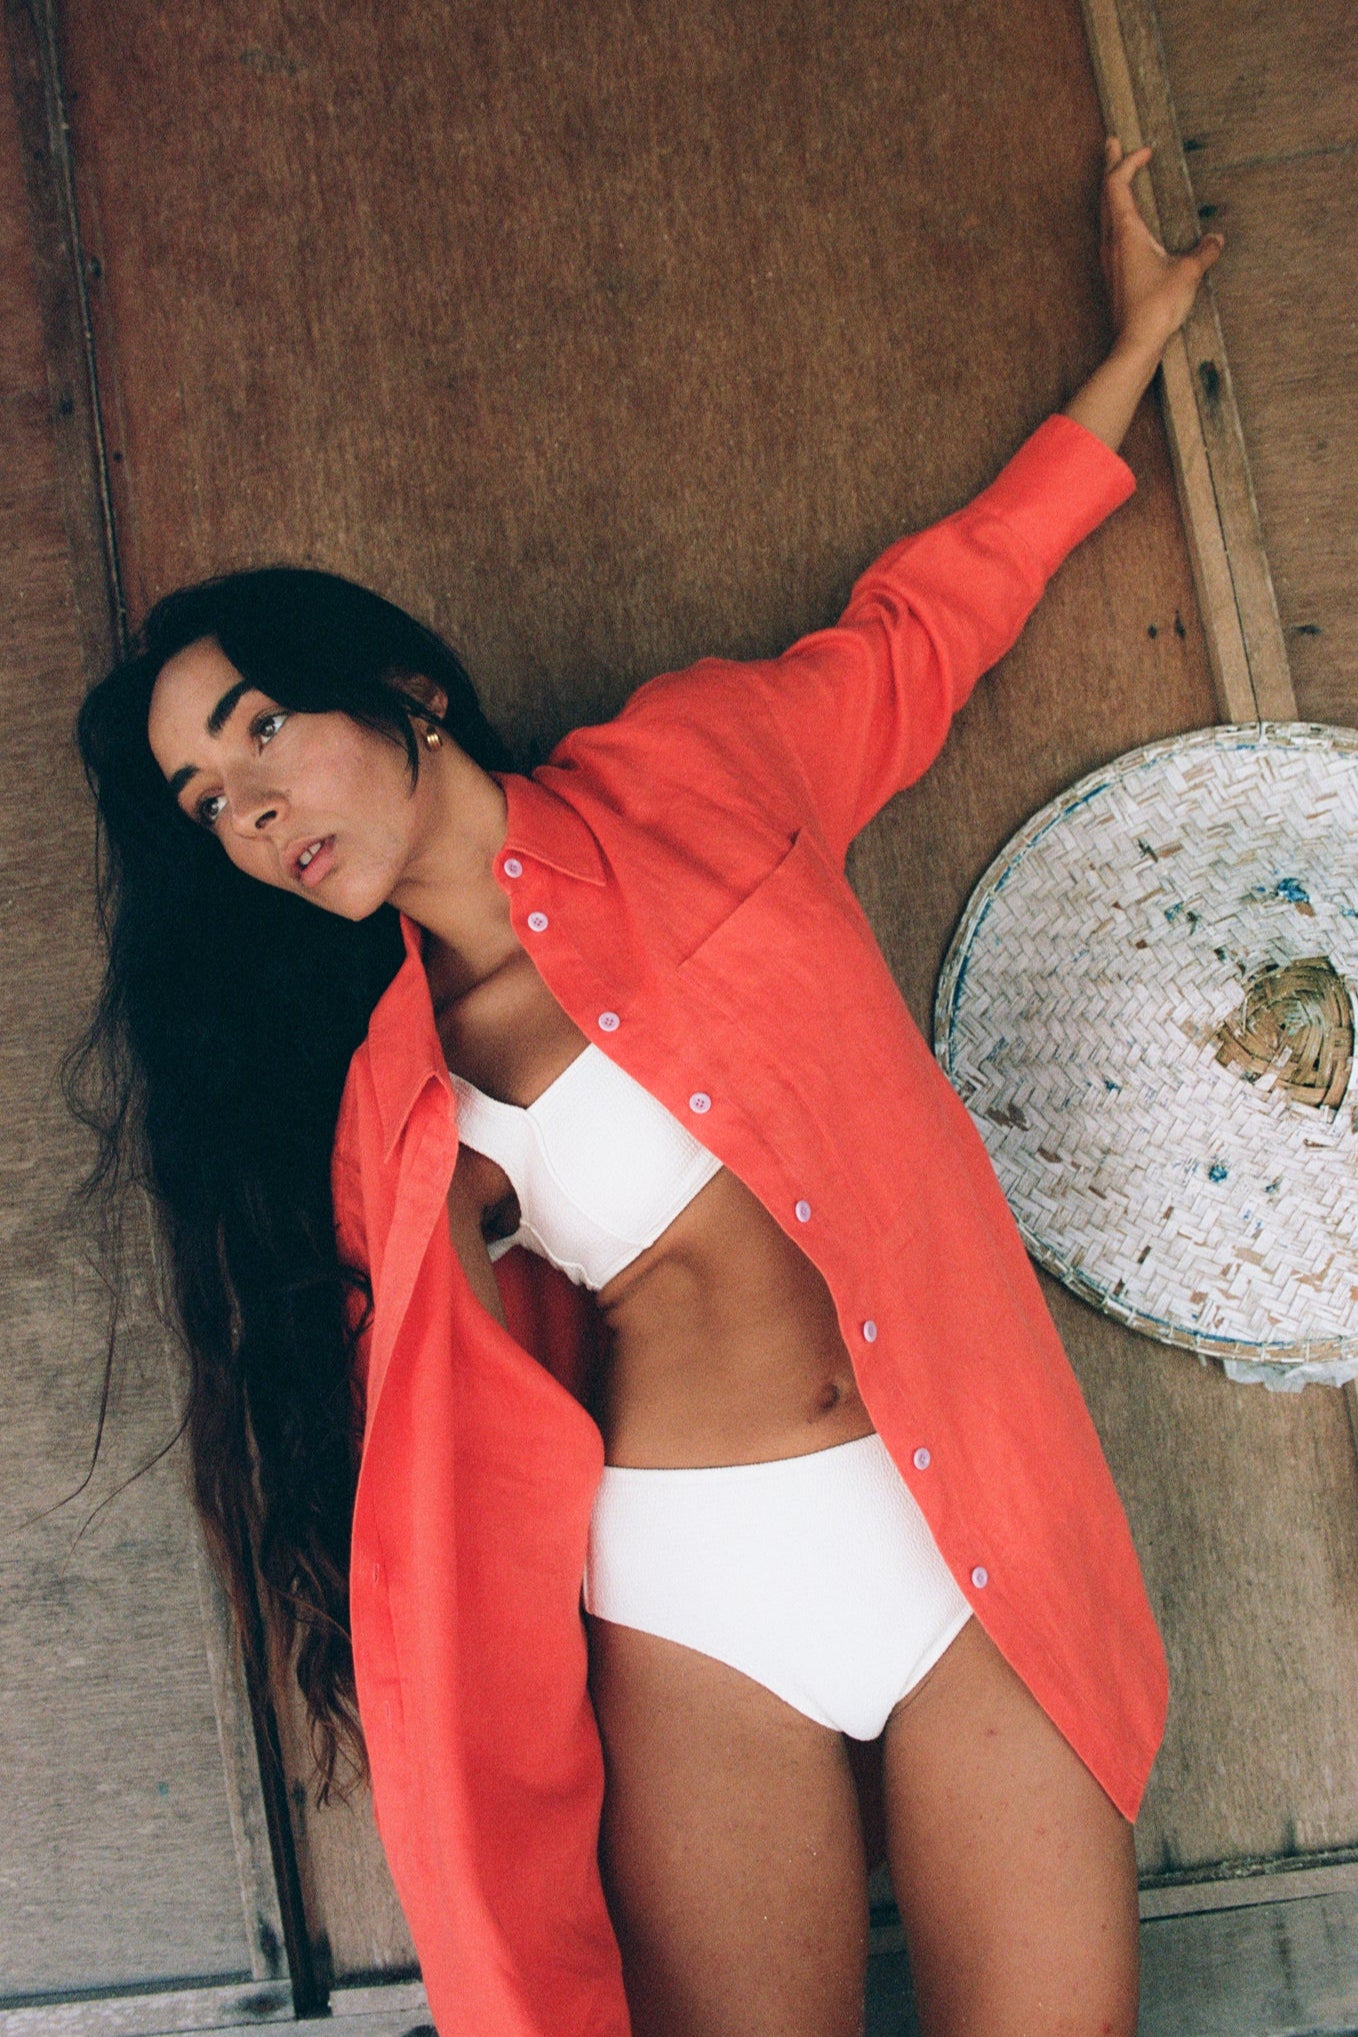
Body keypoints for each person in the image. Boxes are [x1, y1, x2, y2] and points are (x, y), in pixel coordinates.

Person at [72, 139, 1222, 2037]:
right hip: (689, 1603)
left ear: (392, 684)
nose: (255, 804)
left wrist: (1131, 354)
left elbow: (926, 624)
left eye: (261, 727)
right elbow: (442, 1457)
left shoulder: (691, 770)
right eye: (208, 801)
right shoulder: (385, 1092)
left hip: (970, 1539)